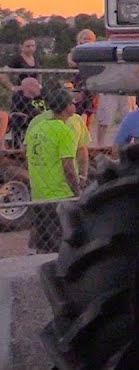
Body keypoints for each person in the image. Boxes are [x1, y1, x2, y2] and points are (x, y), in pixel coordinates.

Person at [24, 85, 82, 253]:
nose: (74, 106)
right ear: (66, 108)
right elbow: (68, 167)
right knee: (60, 242)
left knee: (43, 243)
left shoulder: (37, 128)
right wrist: (76, 191)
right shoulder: (64, 131)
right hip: (59, 194)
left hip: (39, 192)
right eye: (72, 103)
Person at [9, 77, 46, 147]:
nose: (38, 87)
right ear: (29, 87)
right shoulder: (19, 96)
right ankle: (18, 147)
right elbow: (14, 112)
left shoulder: (40, 96)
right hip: (24, 118)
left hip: (39, 119)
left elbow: (42, 110)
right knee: (17, 121)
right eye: (36, 85)